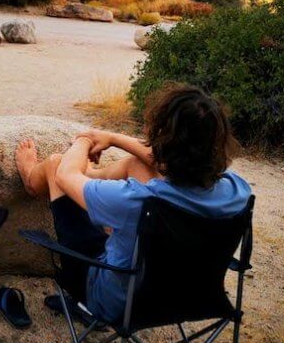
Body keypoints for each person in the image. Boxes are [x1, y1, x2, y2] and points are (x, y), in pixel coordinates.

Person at [15, 83, 251, 324]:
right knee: (137, 164)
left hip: (116, 303)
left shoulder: (140, 201)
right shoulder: (237, 190)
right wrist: (112, 138)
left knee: (56, 163)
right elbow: (159, 162)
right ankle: (93, 180)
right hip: (187, 298)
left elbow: (65, 176)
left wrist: (85, 139)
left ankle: (31, 180)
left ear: (161, 144)